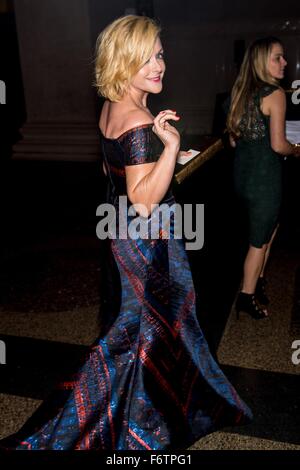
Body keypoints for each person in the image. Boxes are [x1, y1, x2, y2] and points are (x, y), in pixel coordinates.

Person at [0, 15, 251, 450]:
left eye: (160, 54)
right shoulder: (137, 118)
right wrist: (170, 147)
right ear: (124, 60)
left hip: (122, 234)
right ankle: (136, 426)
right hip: (148, 239)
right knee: (147, 332)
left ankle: (138, 411)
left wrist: (159, 157)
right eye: (148, 57)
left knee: (140, 329)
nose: (160, 65)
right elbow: (143, 201)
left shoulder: (113, 104)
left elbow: (112, 173)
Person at [227, 37, 300, 320]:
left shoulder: (240, 92)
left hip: (242, 176)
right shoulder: (275, 94)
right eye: (277, 58)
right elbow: (278, 145)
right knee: (259, 241)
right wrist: (296, 149)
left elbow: (234, 141)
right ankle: (246, 297)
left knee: (266, 232)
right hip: (265, 180)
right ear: (262, 62)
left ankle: (257, 281)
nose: (284, 63)